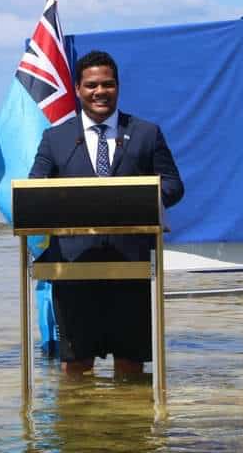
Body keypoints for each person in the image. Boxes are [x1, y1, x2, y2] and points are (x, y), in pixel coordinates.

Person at [29, 50, 184, 376]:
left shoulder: (146, 133)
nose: (100, 91)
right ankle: (79, 426)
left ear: (118, 87)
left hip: (132, 263)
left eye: (108, 84)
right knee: (76, 366)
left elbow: (173, 185)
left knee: (130, 366)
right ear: (78, 89)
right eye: (92, 85)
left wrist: (140, 200)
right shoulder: (55, 138)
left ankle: (127, 426)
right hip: (72, 266)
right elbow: (35, 188)